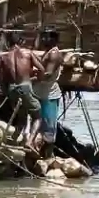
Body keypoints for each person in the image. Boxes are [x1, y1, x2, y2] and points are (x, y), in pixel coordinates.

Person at [0, 30, 44, 151]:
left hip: (12, 89)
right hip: (24, 86)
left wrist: (7, 93)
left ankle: (12, 141)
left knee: (22, 118)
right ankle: (30, 141)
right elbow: (42, 70)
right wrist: (34, 79)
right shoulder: (28, 53)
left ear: (8, 43)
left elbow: (2, 79)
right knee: (38, 116)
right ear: (21, 41)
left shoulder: (4, 57)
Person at [34, 26, 63, 158]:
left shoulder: (54, 54)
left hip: (49, 95)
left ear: (54, 39)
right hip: (41, 93)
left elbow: (47, 74)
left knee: (49, 128)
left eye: (47, 36)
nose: (44, 39)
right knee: (40, 126)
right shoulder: (48, 52)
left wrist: (30, 79)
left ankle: (48, 157)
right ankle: (41, 155)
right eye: (43, 36)